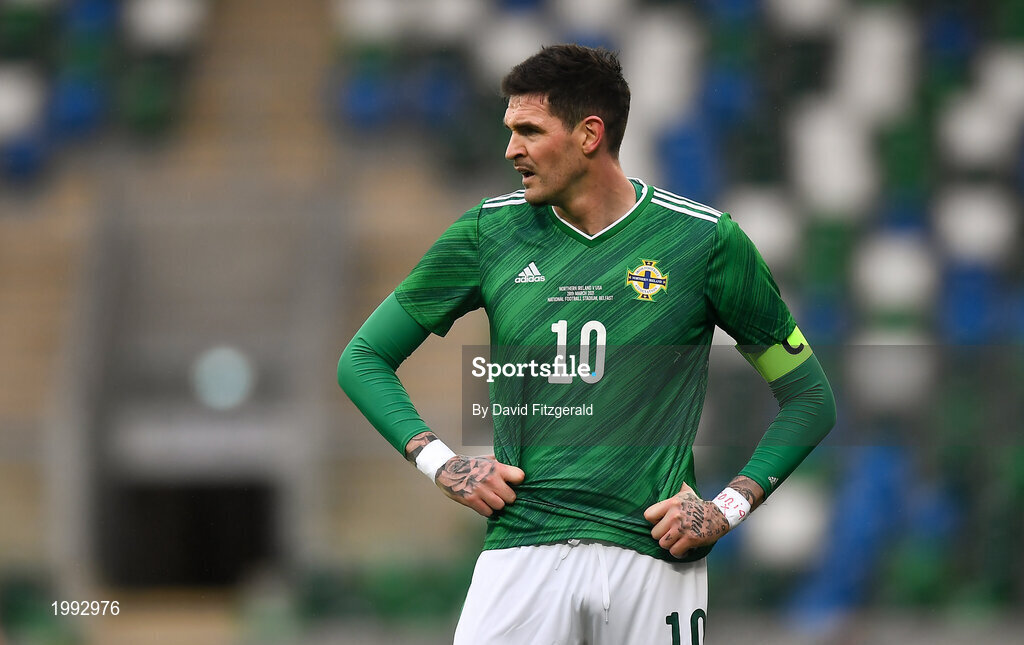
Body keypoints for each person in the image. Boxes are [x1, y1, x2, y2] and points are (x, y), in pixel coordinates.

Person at [338, 44, 836, 645]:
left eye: (528, 130)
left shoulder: (705, 243)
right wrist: (441, 462)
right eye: (509, 130)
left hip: (653, 561)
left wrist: (725, 508)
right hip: (523, 554)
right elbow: (363, 359)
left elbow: (809, 399)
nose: (510, 150)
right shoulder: (485, 233)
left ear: (589, 134)